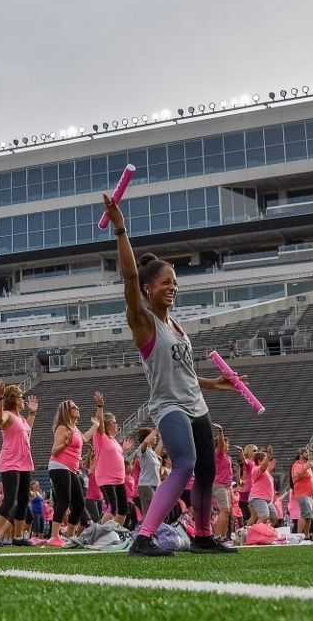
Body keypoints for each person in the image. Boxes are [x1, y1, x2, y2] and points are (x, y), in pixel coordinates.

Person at [101, 193, 243, 556]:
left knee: (208, 472)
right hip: (169, 407)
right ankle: (144, 537)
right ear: (149, 289)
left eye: (175, 282)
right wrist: (120, 228)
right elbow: (130, 275)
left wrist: (216, 383)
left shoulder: (177, 327)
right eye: (166, 282)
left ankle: (202, 536)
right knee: (185, 463)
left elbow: (186, 373)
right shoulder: (144, 323)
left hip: (196, 404)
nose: (173, 287)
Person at [0, 380, 38, 547]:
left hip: (24, 462)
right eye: (21, 396)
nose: (23, 399)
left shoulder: (22, 419)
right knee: (10, 500)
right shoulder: (8, 415)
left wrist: (32, 413)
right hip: (11, 463)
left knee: (23, 500)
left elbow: (27, 432)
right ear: (13, 399)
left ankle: (18, 537)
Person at [47, 400, 98, 546]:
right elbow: (54, 450)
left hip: (71, 468)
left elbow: (84, 438)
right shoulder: (62, 427)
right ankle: (54, 536)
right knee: (64, 500)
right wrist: (65, 444)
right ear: (67, 412)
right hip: (59, 466)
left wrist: (96, 425)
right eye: (74, 407)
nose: (78, 408)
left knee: (80, 503)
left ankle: (70, 536)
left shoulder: (74, 427)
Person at [92, 390, 133, 525]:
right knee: (113, 507)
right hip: (106, 477)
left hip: (119, 478)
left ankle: (117, 532)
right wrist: (100, 406)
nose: (117, 425)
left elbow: (115, 456)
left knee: (123, 508)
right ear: (108, 424)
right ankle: (97, 531)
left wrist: (124, 449)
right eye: (114, 422)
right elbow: (100, 423)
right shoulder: (101, 437)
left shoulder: (114, 440)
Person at [291, 448, 313, 540]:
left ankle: (306, 535)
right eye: (306, 453)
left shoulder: (305, 464)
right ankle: (299, 535)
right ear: (300, 454)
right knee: (304, 514)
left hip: (308, 493)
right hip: (303, 492)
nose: (308, 454)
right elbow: (295, 478)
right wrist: (304, 469)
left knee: (309, 515)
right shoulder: (298, 465)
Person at [135, 427, 162, 517]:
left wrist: (162, 439)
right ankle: (145, 530)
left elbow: (157, 453)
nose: (155, 437)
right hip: (146, 485)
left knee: (157, 511)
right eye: (153, 436)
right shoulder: (142, 449)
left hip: (156, 485)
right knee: (149, 512)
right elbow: (145, 442)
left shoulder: (152, 452)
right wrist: (156, 430)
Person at [212, 424, 233, 539]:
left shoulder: (226, 457)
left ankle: (223, 536)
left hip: (225, 486)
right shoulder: (218, 454)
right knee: (224, 510)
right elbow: (220, 445)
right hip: (219, 485)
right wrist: (221, 432)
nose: (227, 446)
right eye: (226, 444)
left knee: (226, 512)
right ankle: (216, 536)